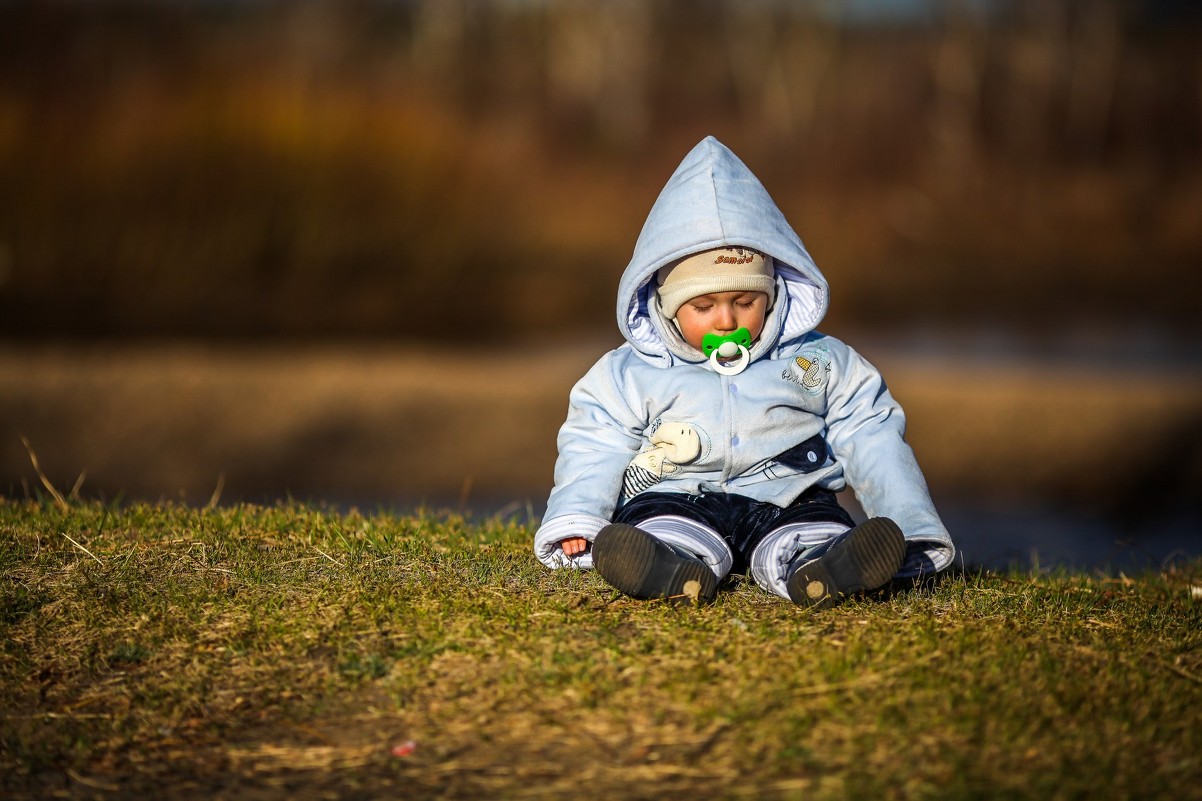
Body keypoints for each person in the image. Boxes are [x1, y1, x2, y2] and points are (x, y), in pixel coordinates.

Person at [533, 136, 954, 608]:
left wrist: (910, 524)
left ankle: (825, 568)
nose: (727, 321)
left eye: (745, 301)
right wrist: (578, 519)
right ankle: (668, 567)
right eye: (704, 306)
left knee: (812, 530)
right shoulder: (631, 372)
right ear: (669, 308)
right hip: (678, 496)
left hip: (789, 494)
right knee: (661, 527)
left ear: (771, 295)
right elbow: (596, 442)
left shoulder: (816, 360)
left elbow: (871, 431)